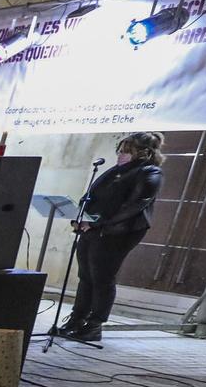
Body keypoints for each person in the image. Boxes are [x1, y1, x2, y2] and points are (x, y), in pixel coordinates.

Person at [56, 132, 165, 343]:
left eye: (126, 151)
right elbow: (91, 196)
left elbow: (134, 205)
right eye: (120, 150)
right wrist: (80, 217)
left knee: (102, 276)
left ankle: (95, 325)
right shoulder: (115, 171)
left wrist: (98, 223)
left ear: (142, 153)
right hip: (93, 228)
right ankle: (77, 319)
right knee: (86, 275)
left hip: (119, 232)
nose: (120, 155)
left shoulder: (149, 172)